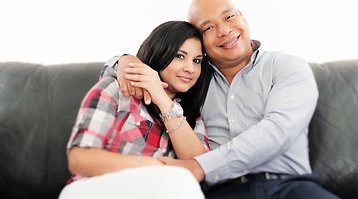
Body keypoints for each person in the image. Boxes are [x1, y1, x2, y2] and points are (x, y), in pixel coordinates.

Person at [102, 0, 340, 198]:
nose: (224, 31)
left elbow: (277, 130)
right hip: (222, 192)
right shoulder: (192, 79)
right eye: (207, 28)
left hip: (289, 187)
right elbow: (155, 65)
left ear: (242, 17)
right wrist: (123, 61)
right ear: (199, 41)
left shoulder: (287, 68)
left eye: (228, 17)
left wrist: (200, 166)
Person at [59, 21, 213, 199]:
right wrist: (151, 165)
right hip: (88, 189)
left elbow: (198, 165)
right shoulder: (117, 89)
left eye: (197, 61)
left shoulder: (193, 115)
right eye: (179, 56)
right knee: (178, 178)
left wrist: (162, 100)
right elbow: (79, 159)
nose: (190, 69)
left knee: (182, 178)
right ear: (159, 52)